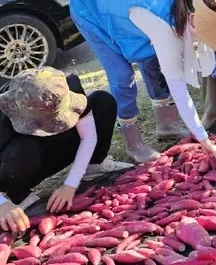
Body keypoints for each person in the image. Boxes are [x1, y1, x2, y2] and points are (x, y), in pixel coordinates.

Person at [70, 0, 216, 164]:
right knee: (122, 75)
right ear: (192, 18)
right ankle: (133, 144)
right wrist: (204, 140)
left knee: (153, 58)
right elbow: (179, 89)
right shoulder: (159, 20)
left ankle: (167, 124)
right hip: (90, 0)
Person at [0, 67, 133, 232]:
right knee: (22, 150)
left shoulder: (65, 85)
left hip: (58, 147)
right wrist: (1, 204)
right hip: (23, 161)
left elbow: (88, 136)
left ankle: (93, 165)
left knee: (102, 101)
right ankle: (21, 196)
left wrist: (71, 183)